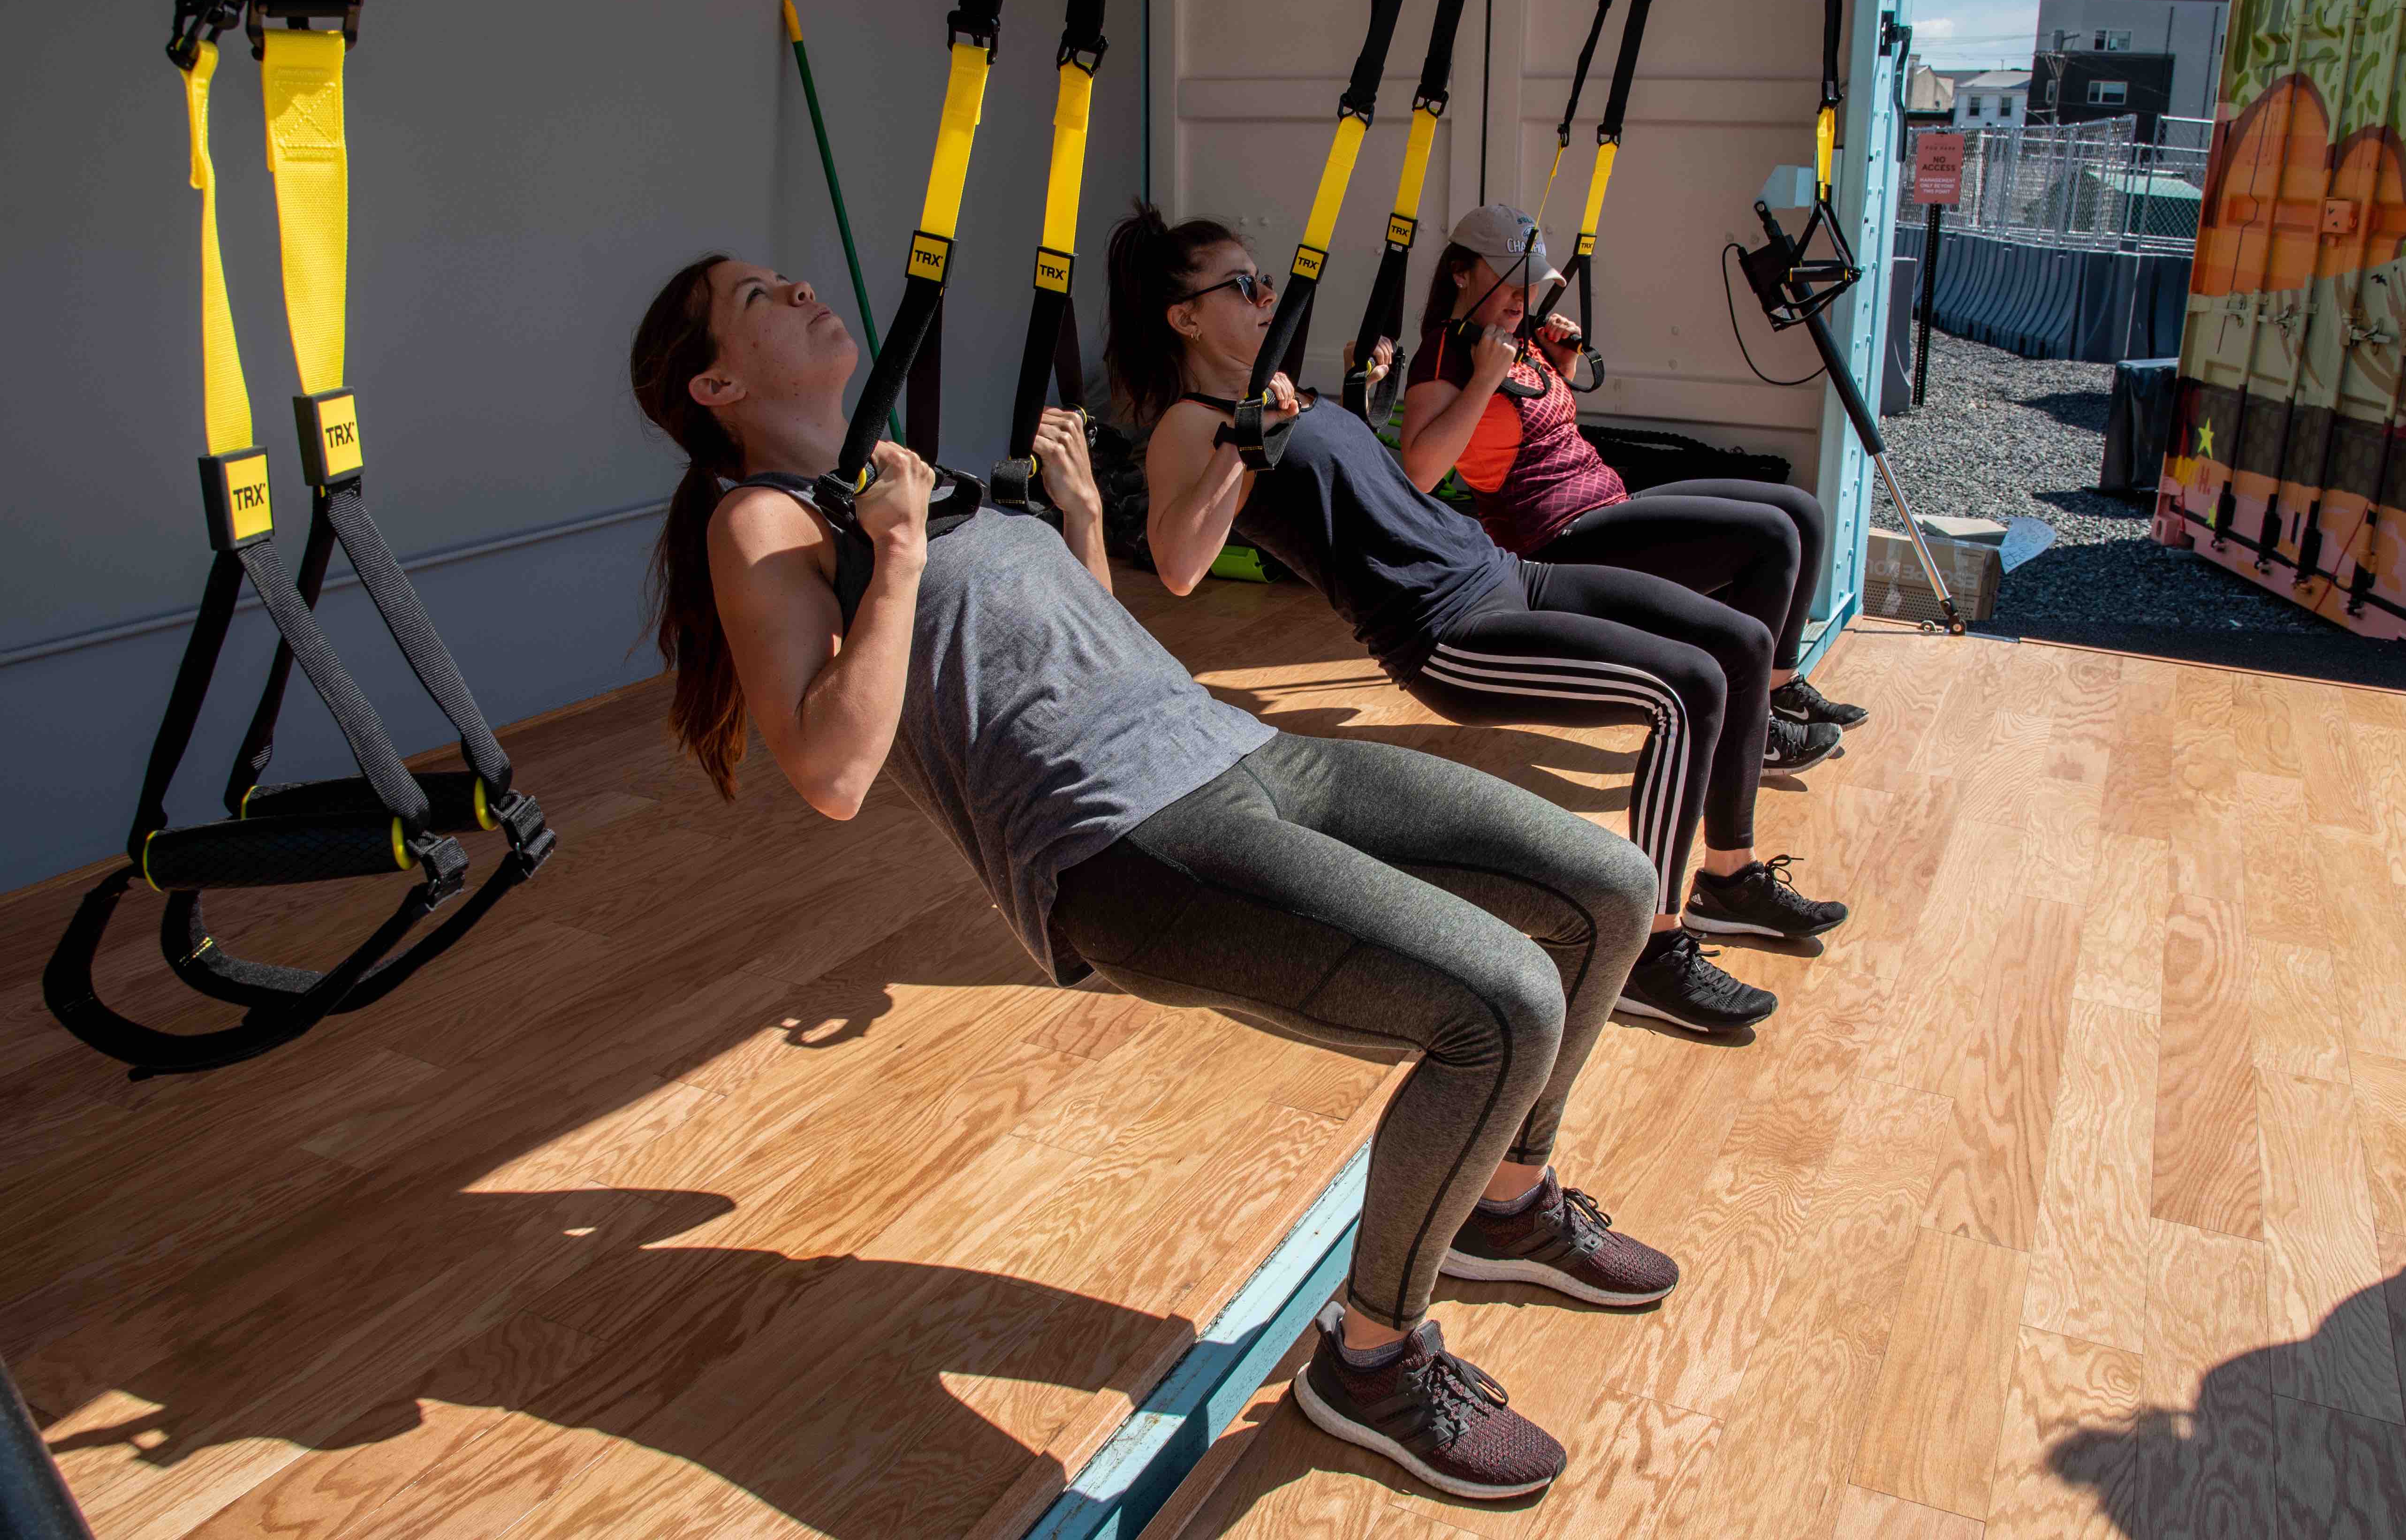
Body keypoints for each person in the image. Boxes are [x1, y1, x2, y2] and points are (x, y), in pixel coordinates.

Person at [632, 251, 1680, 1502]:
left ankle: (1504, 1199)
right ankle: (1371, 1357)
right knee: (1501, 1004)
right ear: (715, 381)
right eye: (763, 298)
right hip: (1122, 843)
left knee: (1604, 886)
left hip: (1236, 750)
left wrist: (1074, 515)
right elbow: (830, 769)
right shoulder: (764, 518)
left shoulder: (893, 478)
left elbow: (1077, 639)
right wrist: (899, 555)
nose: (803, 290)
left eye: (791, 279)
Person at [1112, 204, 1848, 1035]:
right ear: (1184, 317)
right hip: (1448, 630)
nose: (1266, 297)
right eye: (1244, 286)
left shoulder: (1275, 392)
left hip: (1506, 573)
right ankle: (1645, 954)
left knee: (1741, 642)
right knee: (1686, 689)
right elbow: (1176, 567)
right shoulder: (1193, 422)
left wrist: (1362, 398)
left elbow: (1374, 491)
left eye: (1265, 280)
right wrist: (1243, 446)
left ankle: (1728, 874)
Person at [1398, 203, 1872, 736]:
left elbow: (1532, 427)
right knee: (1771, 538)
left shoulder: (1512, 332)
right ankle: (1747, 728)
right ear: (1460, 273)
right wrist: (1484, 379)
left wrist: (1562, 364)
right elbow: (1419, 473)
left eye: (1528, 284)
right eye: (1508, 282)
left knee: (1801, 511)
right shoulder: (1445, 352)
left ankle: (1778, 688)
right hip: (1554, 541)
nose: (1521, 297)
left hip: (1606, 506)